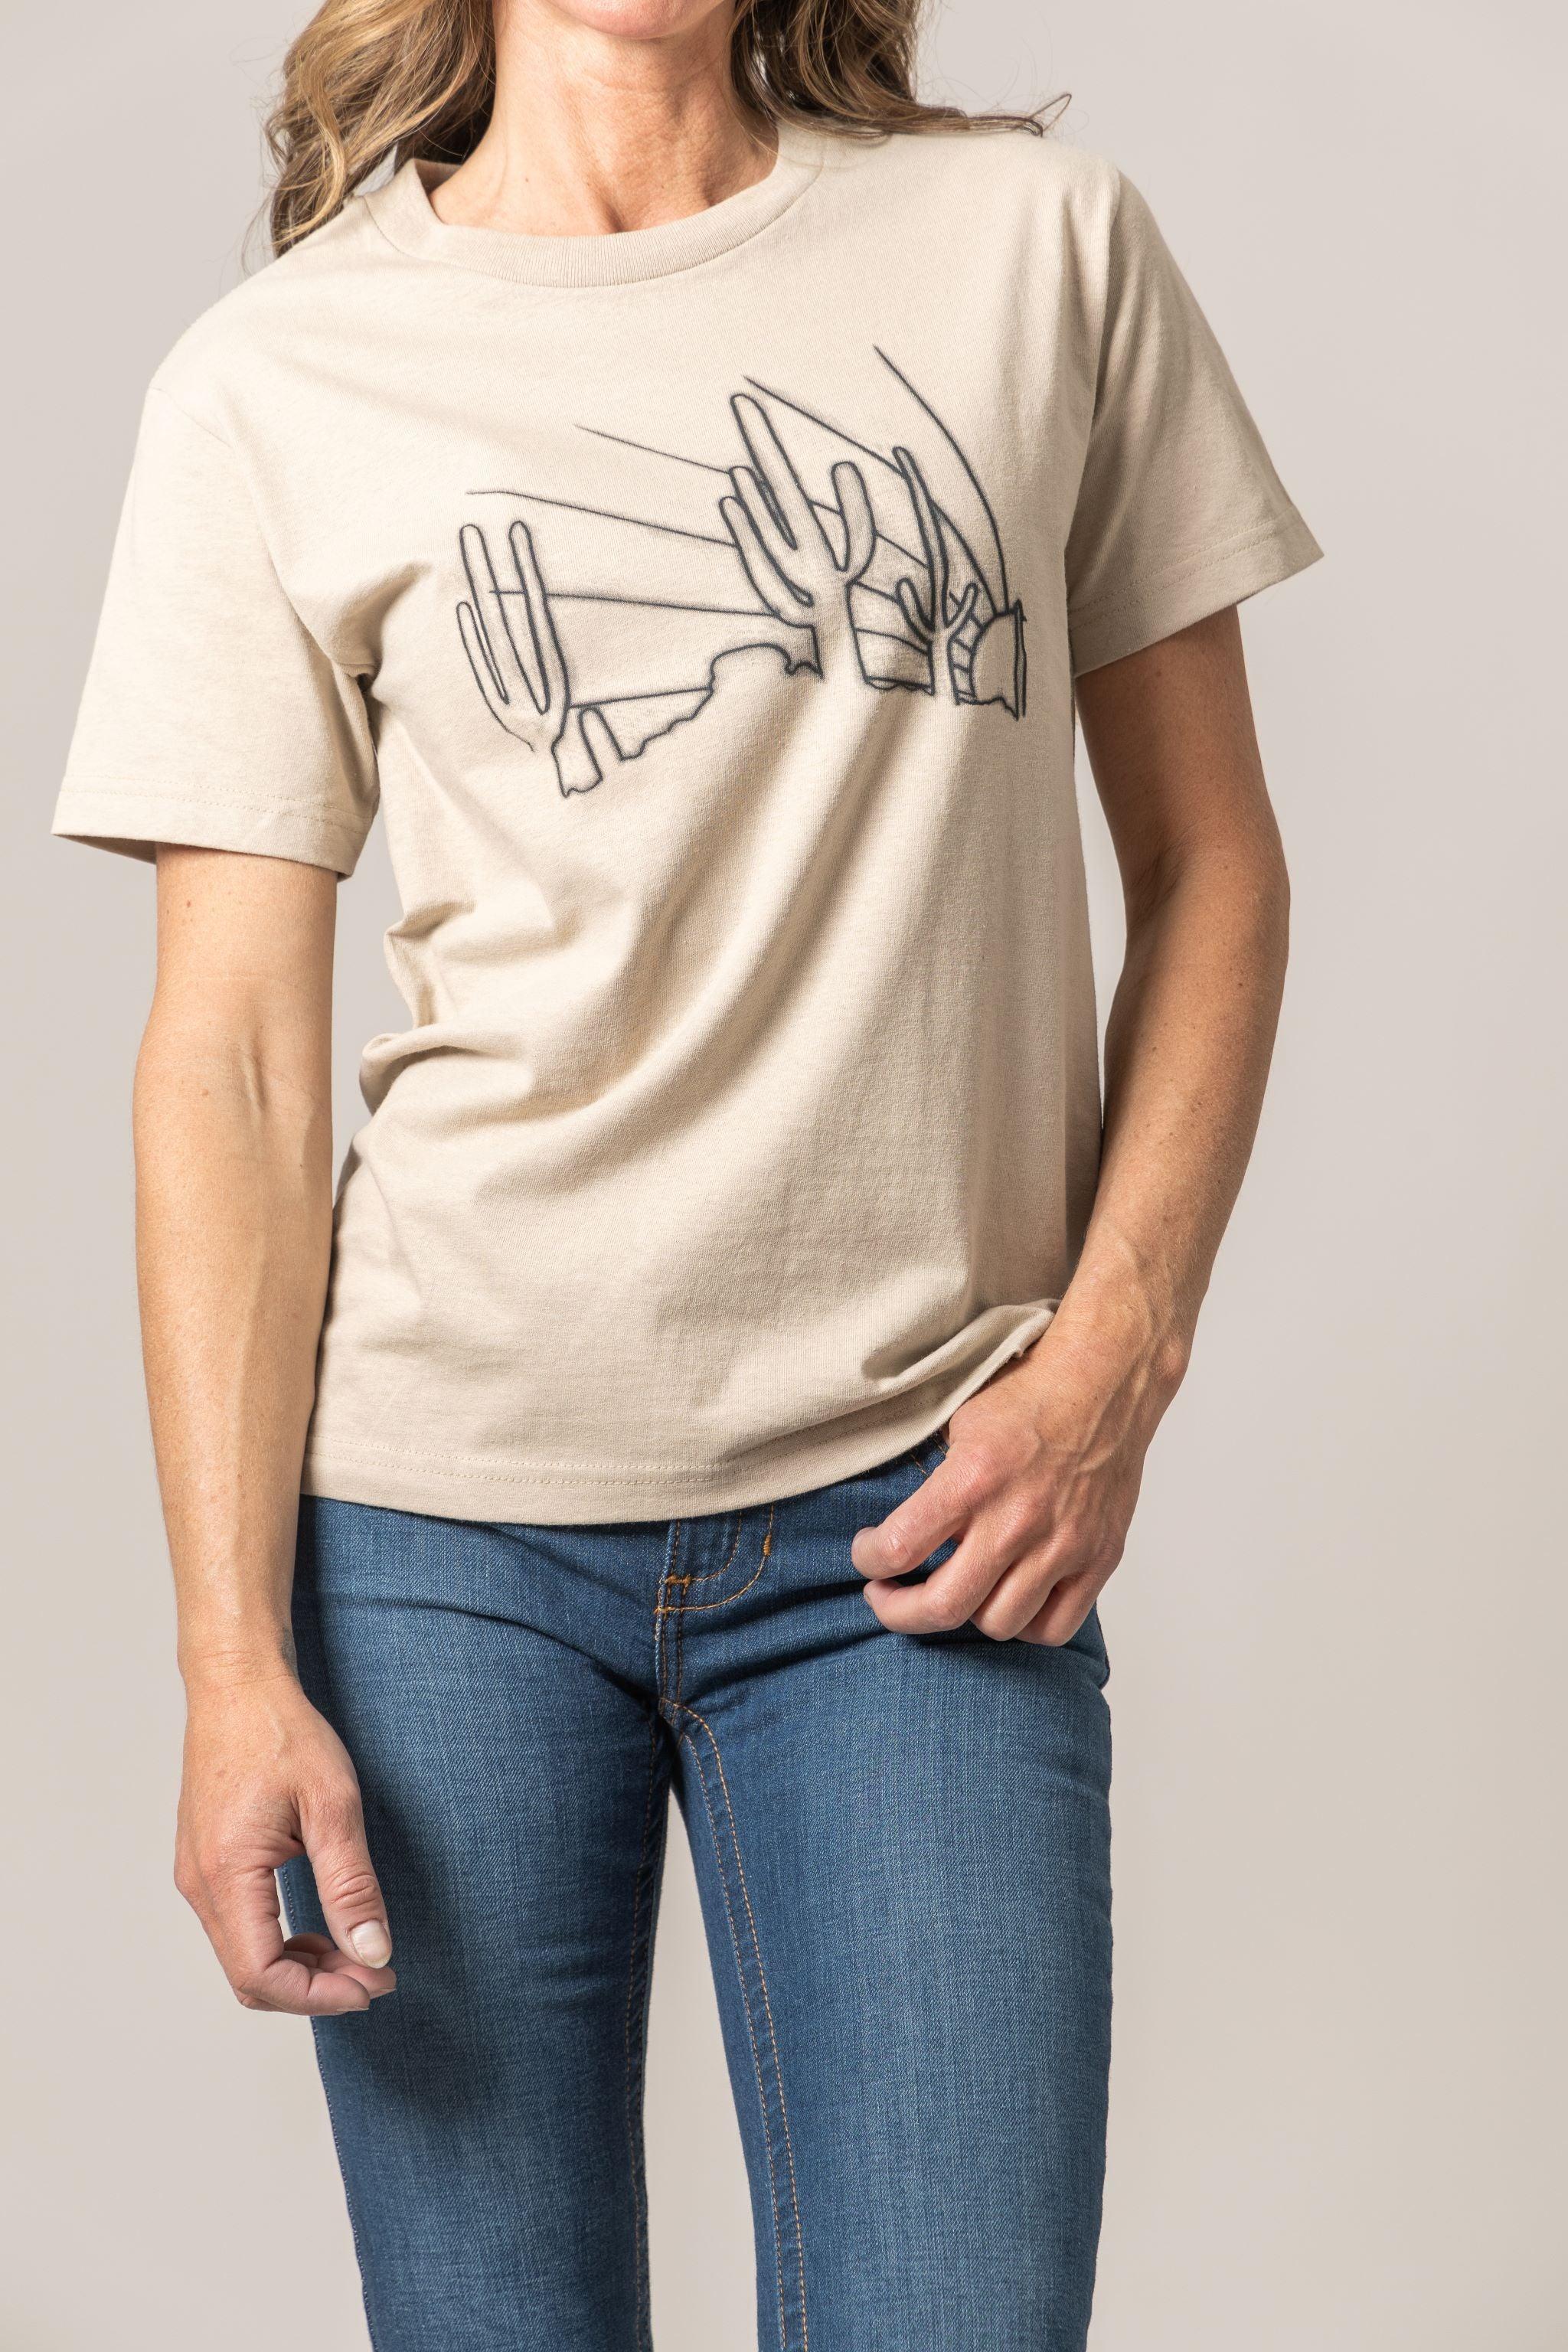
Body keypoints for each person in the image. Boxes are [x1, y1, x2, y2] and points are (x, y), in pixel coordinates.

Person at [52, 0, 1319, 2343]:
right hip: (438, 1547)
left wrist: (1116, 1356)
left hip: (923, 1519)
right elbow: (227, 1060)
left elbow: (1212, 863)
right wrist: (232, 1662)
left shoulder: (1037, 250)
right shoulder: (277, 377)